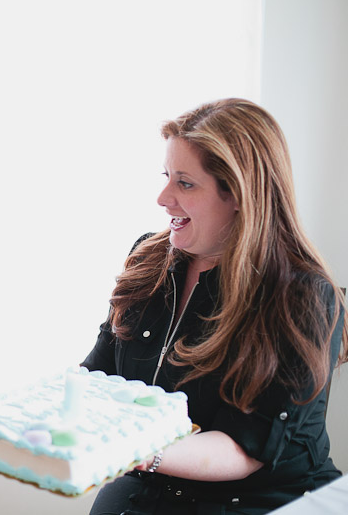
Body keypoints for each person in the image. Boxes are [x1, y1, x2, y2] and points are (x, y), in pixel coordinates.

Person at [83, 99, 347, 515]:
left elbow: (243, 449)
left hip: (259, 502)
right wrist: (11, 417)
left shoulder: (303, 297)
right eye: (167, 176)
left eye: (185, 183)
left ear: (240, 195)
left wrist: (133, 450)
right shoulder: (149, 259)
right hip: (147, 490)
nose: (163, 198)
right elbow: (95, 381)